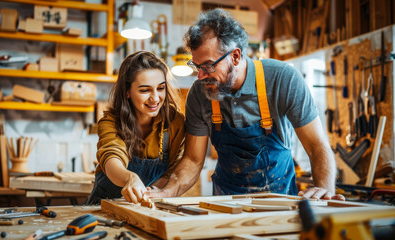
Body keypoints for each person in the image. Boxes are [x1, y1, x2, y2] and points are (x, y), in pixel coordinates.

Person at [148, 9, 345, 200]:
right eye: (197, 66)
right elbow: (192, 160)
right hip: (225, 202)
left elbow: (317, 146)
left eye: (207, 66)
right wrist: (167, 193)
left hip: (279, 201)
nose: (200, 76)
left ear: (234, 56)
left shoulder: (283, 79)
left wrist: (324, 190)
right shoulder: (200, 94)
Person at [86, 51, 185, 204]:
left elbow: (173, 171)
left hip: (147, 204)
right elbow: (112, 157)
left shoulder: (175, 123)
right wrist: (130, 178)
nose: (155, 98)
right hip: (104, 206)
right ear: (127, 92)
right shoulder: (111, 121)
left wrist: (151, 192)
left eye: (160, 88)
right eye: (145, 90)